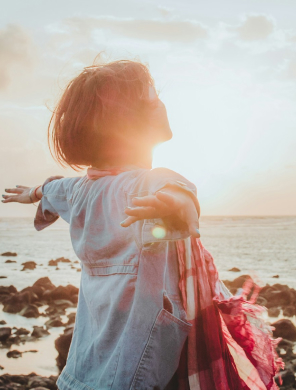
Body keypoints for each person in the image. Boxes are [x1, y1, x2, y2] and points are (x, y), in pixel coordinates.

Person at [2, 60, 203, 390]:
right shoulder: (145, 184)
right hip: (143, 364)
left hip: (89, 363)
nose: (161, 100)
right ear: (124, 119)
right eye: (152, 94)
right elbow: (176, 192)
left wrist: (31, 193)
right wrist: (175, 207)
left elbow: (52, 190)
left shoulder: (80, 189)